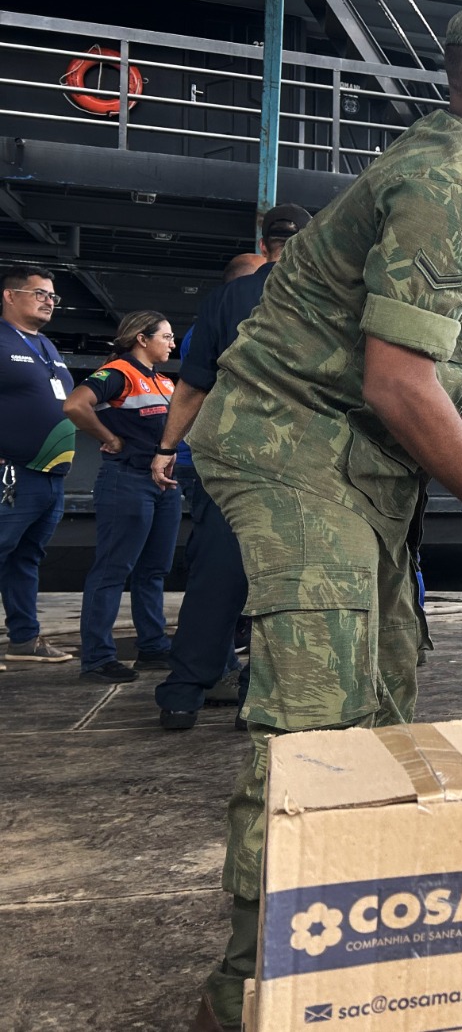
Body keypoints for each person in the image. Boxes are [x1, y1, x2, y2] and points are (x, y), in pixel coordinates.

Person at [183, 0, 462, 1032]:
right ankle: (252, 993)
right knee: (318, 723)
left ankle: (345, 940)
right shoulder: (454, 183)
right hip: (296, 447)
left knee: (383, 697)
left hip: (348, 462)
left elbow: (424, 320)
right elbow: (401, 381)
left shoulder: (461, 174)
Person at [150, 207, 310, 730]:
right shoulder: (331, 297)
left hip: (232, 461)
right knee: (286, 582)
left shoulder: (224, 300)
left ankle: (181, 695)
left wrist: (167, 448)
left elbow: (192, 388)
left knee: (216, 575)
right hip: (306, 464)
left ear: (265, 244)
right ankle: (256, 697)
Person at [62, 311, 181, 682]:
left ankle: (153, 648)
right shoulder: (118, 373)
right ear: (141, 339)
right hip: (126, 480)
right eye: (166, 336)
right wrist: (108, 438)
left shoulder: (163, 381)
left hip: (163, 486)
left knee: (154, 570)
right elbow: (74, 405)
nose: (172, 343)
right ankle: (97, 658)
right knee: (114, 569)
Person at [0, 265, 76, 671]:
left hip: (50, 476)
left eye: (52, 296)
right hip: (12, 475)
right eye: (39, 293)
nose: (49, 301)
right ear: (10, 296)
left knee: (26, 558)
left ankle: (24, 640)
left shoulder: (45, 344)